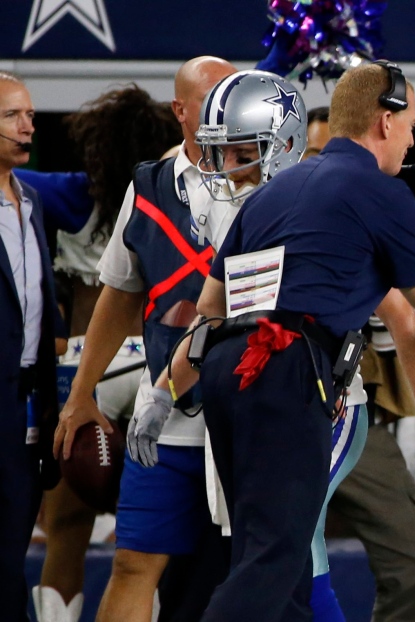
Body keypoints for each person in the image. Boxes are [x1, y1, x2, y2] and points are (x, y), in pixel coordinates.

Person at [152, 61, 415, 620]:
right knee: (276, 559)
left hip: (226, 377)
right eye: (412, 124)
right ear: (386, 120)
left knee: (276, 561)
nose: (412, 137)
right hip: (286, 374)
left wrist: (162, 394)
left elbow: (210, 313)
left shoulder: (274, 192)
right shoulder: (379, 192)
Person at [51, 56, 237, 622]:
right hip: (168, 419)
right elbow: (119, 293)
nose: (227, 112)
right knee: (133, 563)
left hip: (252, 415)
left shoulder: (276, 179)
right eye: (212, 100)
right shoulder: (150, 186)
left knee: (250, 569)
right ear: (179, 111)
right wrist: (81, 393)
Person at [28, 83, 181, 622]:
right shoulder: (174, 198)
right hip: (152, 372)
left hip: (85, 372)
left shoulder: (70, 196)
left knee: (64, 531)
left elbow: (11, 178)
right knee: (145, 544)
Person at [303, 105, 415, 622]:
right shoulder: (276, 205)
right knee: (279, 556)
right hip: (296, 406)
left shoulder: (376, 206)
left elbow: (413, 319)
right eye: (316, 156)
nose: (329, 168)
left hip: (358, 409)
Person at [0, 69, 60, 621]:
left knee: (13, 554)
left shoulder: (32, 201)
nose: (28, 127)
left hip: (25, 414)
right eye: (12, 117)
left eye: (31, 116)